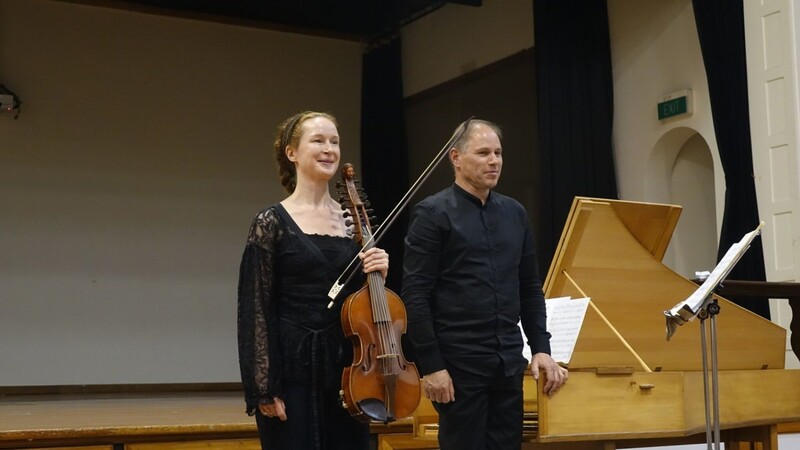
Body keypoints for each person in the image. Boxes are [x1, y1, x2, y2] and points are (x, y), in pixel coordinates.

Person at [401, 119, 568, 450]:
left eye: (498, 153)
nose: (494, 161)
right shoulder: (432, 214)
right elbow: (415, 295)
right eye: (483, 153)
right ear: (456, 158)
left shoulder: (515, 213)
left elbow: (530, 288)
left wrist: (541, 349)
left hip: (507, 361)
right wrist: (432, 366)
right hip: (458, 364)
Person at [237, 111, 389, 450]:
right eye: (318, 141)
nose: (329, 149)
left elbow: (363, 306)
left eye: (334, 142)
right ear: (291, 153)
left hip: (349, 373)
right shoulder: (270, 222)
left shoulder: (355, 223)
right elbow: (255, 309)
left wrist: (379, 275)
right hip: (292, 372)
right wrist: (264, 387)